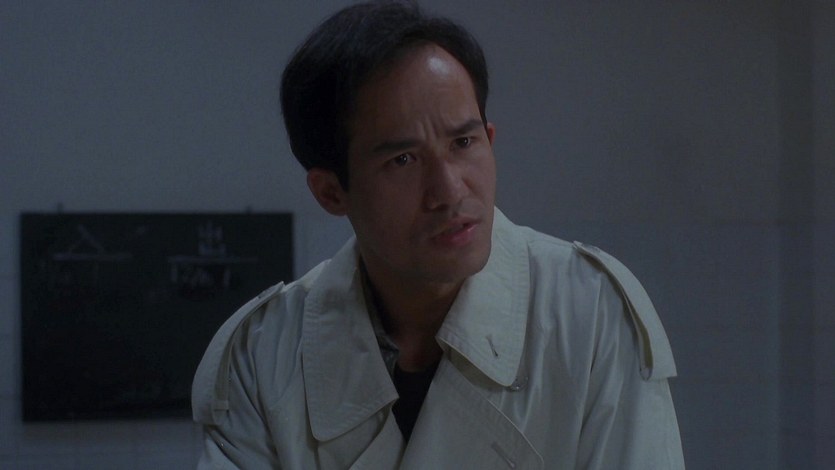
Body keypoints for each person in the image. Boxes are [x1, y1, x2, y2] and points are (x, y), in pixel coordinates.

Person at [192, 1, 685, 468]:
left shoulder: (589, 310)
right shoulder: (263, 353)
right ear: (331, 191)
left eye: (463, 142)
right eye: (402, 160)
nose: (449, 192)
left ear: (490, 139)